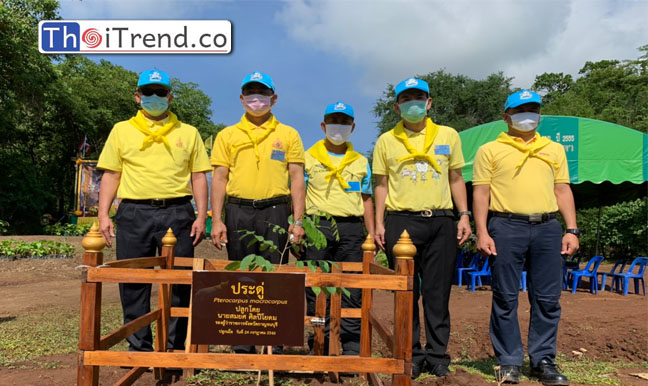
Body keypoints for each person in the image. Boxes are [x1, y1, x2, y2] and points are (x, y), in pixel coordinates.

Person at [97, 69, 211, 352]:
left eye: (161, 92)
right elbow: (112, 174)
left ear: (170, 97)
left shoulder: (189, 132)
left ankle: (173, 346)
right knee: (134, 280)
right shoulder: (122, 130)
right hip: (134, 212)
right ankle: (139, 346)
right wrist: (103, 214)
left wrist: (201, 216)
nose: (154, 97)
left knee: (180, 281)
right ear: (138, 97)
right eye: (148, 92)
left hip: (178, 211)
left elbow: (198, 176)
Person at [472, 89, 579, 385]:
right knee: (505, 296)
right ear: (506, 116)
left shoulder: (554, 149)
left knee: (547, 298)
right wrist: (481, 231)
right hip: (505, 226)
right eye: (520, 111)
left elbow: (562, 190)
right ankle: (509, 361)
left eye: (533, 109)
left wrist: (571, 229)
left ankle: (543, 359)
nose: (527, 116)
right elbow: (481, 193)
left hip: (547, 227)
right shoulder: (490, 150)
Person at [372, 78, 471, 378]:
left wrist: (464, 215)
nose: (412, 103)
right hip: (401, 222)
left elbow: (456, 178)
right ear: (397, 105)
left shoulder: (448, 135)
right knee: (405, 292)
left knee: (437, 292)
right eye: (406, 99)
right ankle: (411, 353)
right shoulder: (386, 140)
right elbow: (381, 184)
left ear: (429, 103)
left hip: (441, 219)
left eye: (418, 97)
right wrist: (378, 222)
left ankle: (438, 355)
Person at [209, 71, 305, 354]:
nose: (256, 99)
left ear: (273, 98)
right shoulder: (227, 135)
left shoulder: (288, 134)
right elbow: (219, 179)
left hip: (276, 210)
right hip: (238, 210)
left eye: (262, 93)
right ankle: (242, 340)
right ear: (241, 99)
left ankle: (272, 338)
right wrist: (217, 220)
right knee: (241, 272)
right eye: (250, 93)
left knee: (274, 273)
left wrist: (297, 220)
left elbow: (297, 179)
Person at [303, 101, 375, 355]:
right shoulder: (308, 157)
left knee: (352, 287)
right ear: (323, 125)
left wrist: (372, 232)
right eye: (334, 121)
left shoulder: (361, 161)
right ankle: (318, 342)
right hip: (317, 227)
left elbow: (366, 199)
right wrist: (298, 226)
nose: (339, 127)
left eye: (344, 122)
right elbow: (298, 194)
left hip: (352, 230)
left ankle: (352, 344)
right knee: (315, 286)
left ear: (353, 127)